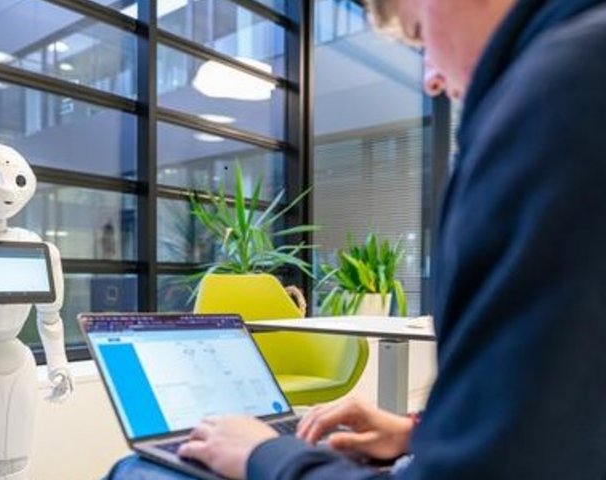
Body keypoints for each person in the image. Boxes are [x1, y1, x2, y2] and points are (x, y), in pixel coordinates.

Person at [110, 0, 606, 478]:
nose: (431, 76)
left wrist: (267, 455)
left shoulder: (557, 98)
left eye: (418, 36)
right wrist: (418, 432)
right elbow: (552, 412)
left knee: (135, 469)